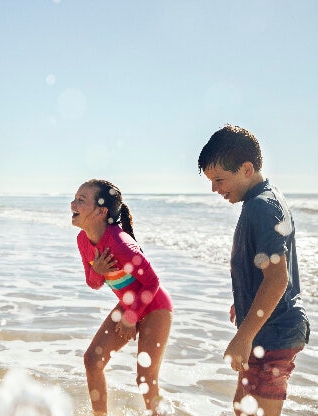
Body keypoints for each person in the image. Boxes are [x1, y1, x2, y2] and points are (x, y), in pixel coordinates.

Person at [198, 124, 310, 416]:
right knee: (241, 407)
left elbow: (277, 280)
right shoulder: (260, 200)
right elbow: (262, 272)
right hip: (268, 327)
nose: (215, 189)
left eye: (220, 180)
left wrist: (244, 336)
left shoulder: (262, 206)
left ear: (246, 168)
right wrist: (245, 301)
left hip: (275, 333)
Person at [71, 179, 173, 415]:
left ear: (101, 211)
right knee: (92, 362)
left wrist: (131, 316)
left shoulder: (120, 243)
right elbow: (93, 282)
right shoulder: (83, 240)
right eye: (75, 198)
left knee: (146, 378)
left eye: (80, 200)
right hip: (129, 304)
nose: (72, 204)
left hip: (155, 305)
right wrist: (98, 270)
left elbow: (152, 282)